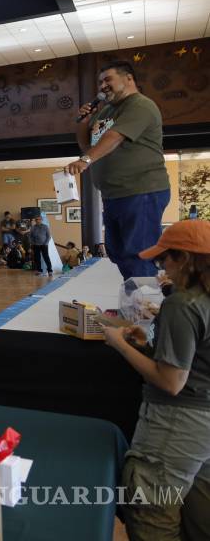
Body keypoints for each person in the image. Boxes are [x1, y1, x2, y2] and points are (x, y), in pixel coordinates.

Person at [101, 220, 210, 539]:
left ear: (184, 259)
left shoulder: (183, 303)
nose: (161, 267)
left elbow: (172, 381)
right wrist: (149, 347)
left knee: (151, 507)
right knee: (199, 510)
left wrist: (119, 344)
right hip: (203, 428)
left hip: (178, 424)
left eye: (164, 259)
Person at [66, 60, 170, 280]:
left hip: (141, 190)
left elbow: (114, 137)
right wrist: (84, 122)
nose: (103, 85)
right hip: (114, 194)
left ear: (128, 79)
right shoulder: (105, 112)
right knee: (119, 252)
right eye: (100, 81)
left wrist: (85, 161)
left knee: (139, 253)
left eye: (108, 79)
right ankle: (134, 301)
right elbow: (88, 145)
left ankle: (146, 310)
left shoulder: (140, 105)